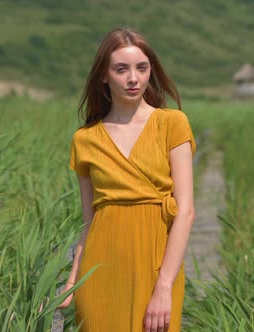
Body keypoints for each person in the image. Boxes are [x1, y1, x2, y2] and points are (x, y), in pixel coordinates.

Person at [58, 28, 196, 332]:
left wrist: (164, 287)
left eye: (141, 68)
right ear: (104, 76)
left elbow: (185, 211)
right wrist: (71, 282)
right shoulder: (85, 140)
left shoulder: (172, 123)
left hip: (157, 265)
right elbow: (88, 222)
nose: (133, 78)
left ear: (151, 71)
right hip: (99, 270)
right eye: (122, 69)